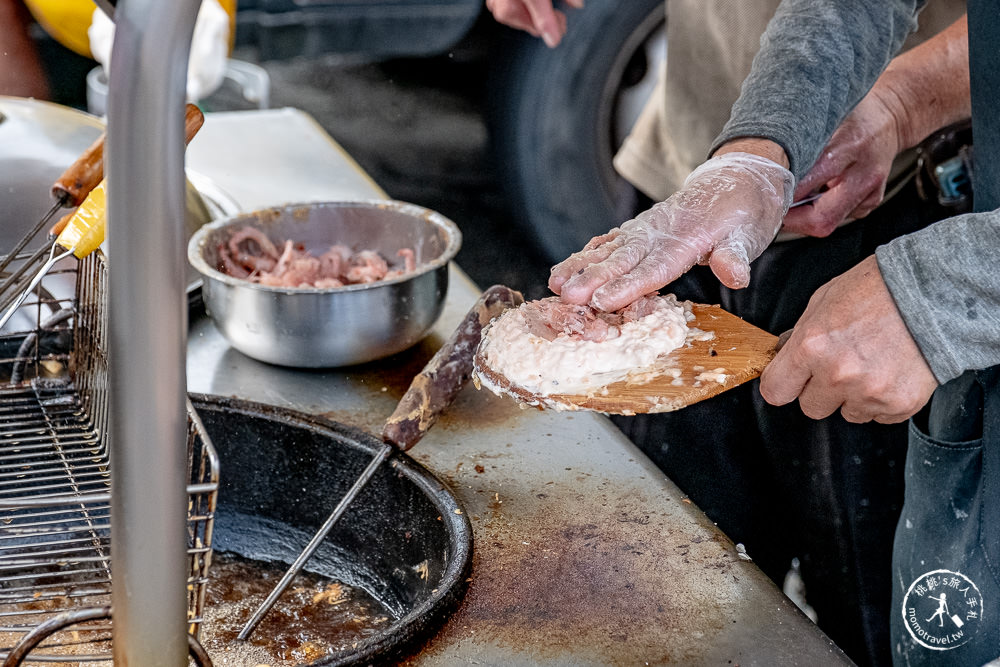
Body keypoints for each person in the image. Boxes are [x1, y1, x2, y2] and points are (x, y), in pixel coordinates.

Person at [486, 2, 968, 666]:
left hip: (892, 204)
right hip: (698, 167)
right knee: (667, 592)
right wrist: (756, 155)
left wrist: (905, 107)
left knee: (875, 619)